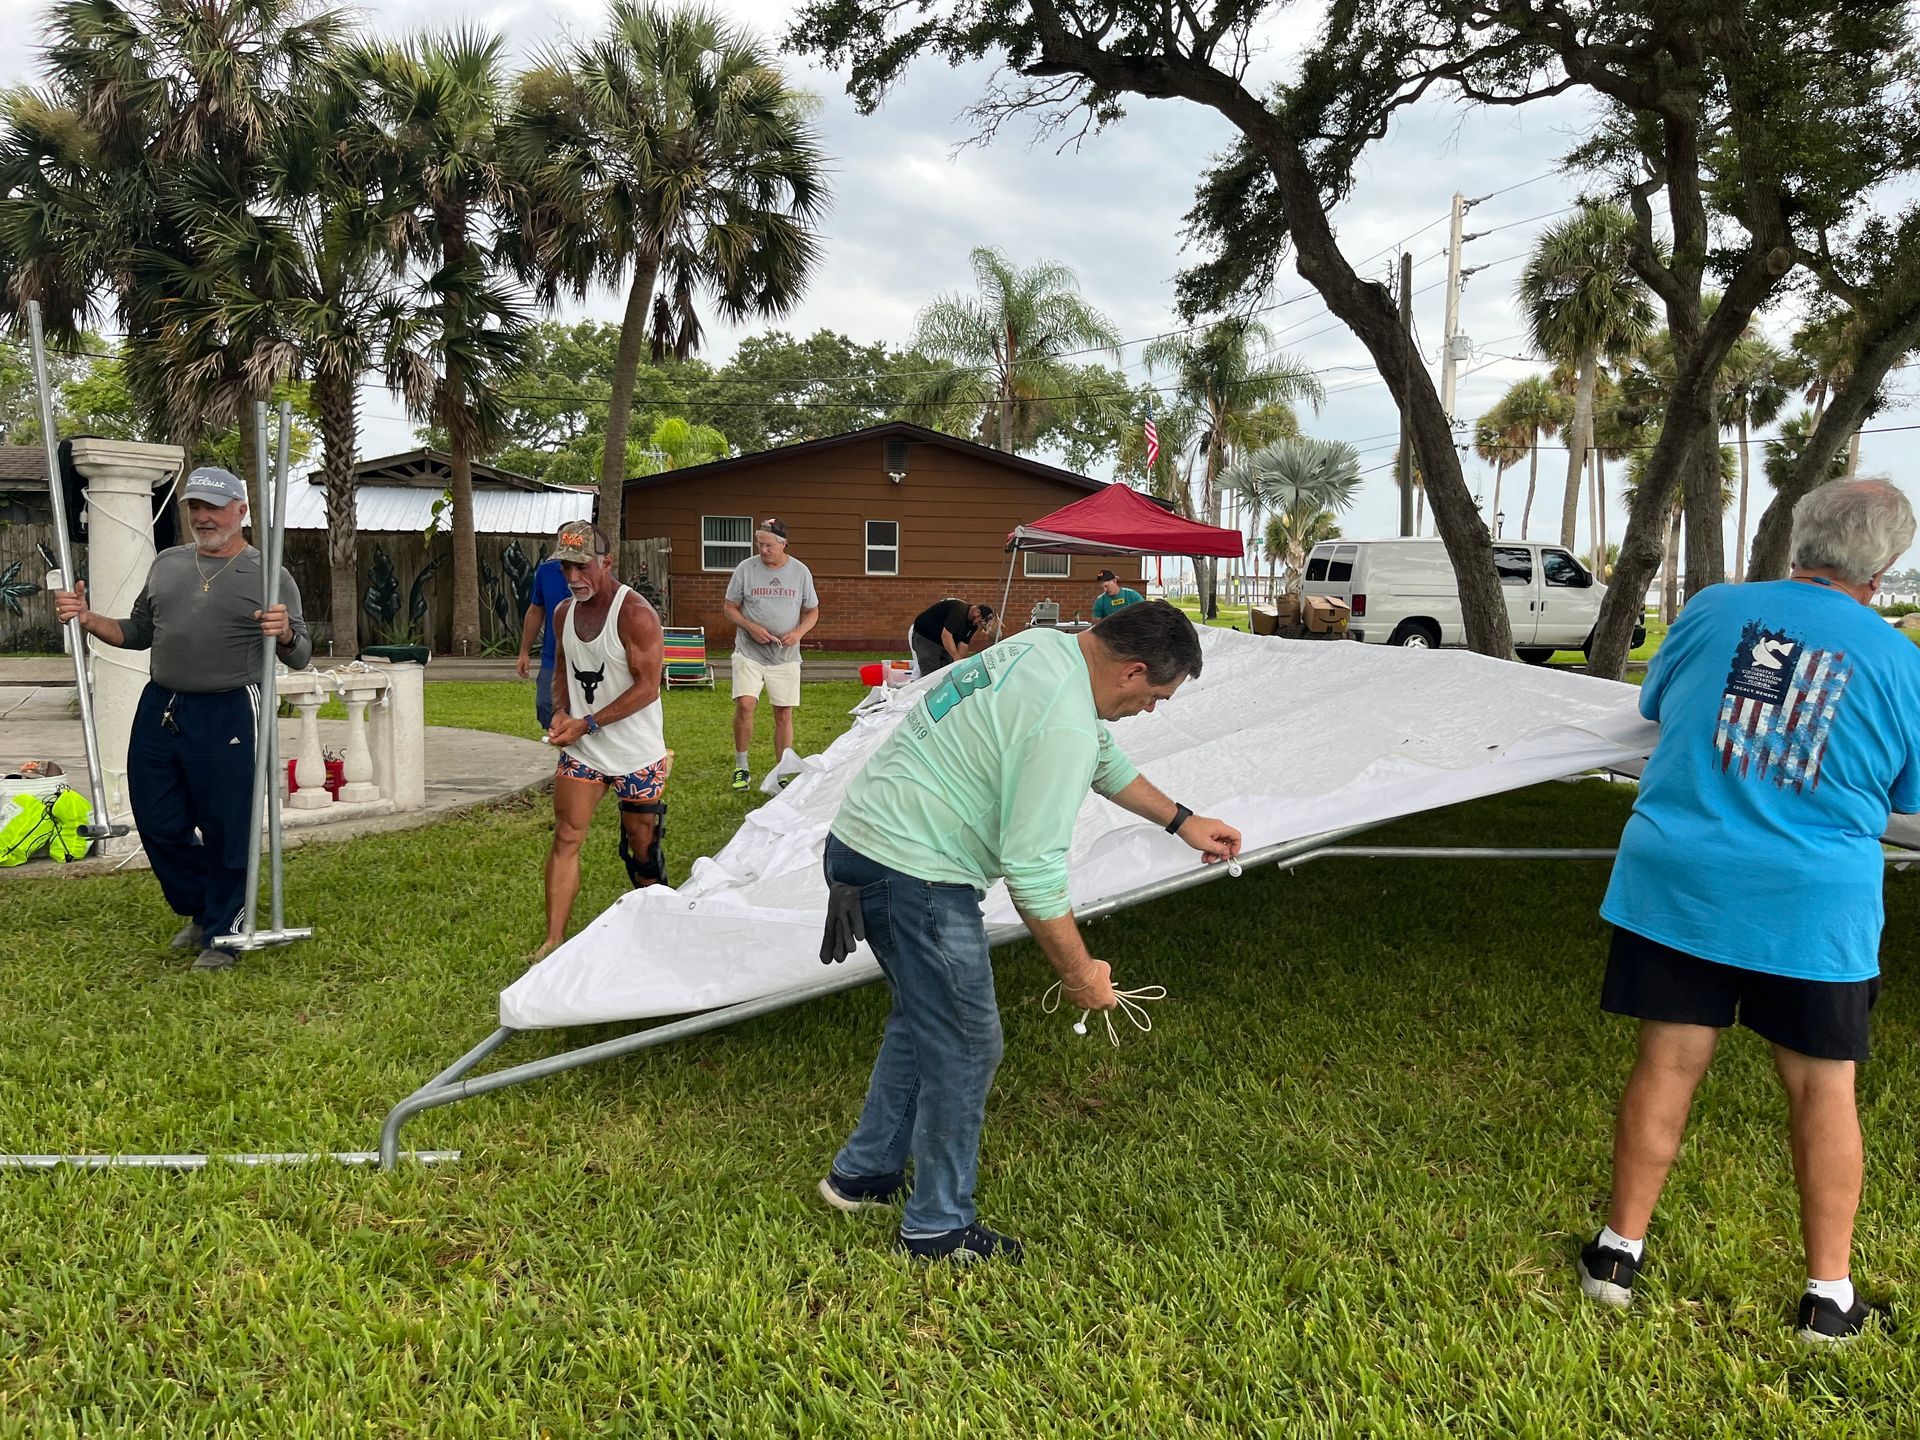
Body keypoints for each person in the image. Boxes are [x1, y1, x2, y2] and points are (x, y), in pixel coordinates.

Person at [1577, 479, 1920, 1344]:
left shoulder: (1712, 609)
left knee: (1668, 1060)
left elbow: (1656, 709)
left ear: (1797, 538)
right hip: (1814, 905)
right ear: (1883, 567)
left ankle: (1616, 1258)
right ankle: (1827, 1300)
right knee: (1822, 1088)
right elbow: (1903, 796)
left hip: (1680, 879)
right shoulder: (1901, 661)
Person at [817, 600, 1242, 1263]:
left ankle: (864, 1175)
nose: (1152, 709)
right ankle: (935, 1229)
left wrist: (1181, 819)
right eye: (1156, 695)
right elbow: (1033, 872)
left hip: (863, 847)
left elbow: (1105, 758)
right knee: (966, 1043)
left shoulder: (1048, 650)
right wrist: (1080, 974)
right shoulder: (1062, 722)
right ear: (1132, 672)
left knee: (924, 1020)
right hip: (913, 873)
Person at [52, 465, 311, 970]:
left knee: (226, 825)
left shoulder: (269, 572)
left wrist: (282, 633)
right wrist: (87, 619)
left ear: (241, 511)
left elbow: (299, 655)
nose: (203, 516)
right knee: (156, 818)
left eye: (214, 506)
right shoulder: (167, 564)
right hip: (162, 705)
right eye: (195, 506)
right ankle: (200, 904)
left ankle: (225, 932)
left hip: (230, 709)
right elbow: (139, 631)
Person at [533, 521, 670, 964]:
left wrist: (588, 722)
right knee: (566, 835)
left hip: (637, 754)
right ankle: (553, 941)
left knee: (643, 845)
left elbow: (649, 687)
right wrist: (559, 712)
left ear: (607, 563)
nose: (573, 578)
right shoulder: (562, 614)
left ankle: (660, 930)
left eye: (582, 566)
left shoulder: (636, 614)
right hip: (583, 753)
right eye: (566, 567)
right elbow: (560, 670)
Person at [723, 517, 818, 792]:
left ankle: (782, 771)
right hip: (749, 652)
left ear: (783, 543)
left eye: (768, 545)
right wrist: (750, 626)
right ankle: (742, 767)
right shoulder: (745, 569)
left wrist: (798, 633)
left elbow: (812, 611)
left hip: (785, 656)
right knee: (745, 704)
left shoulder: (800, 572)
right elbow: (730, 607)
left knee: (783, 713)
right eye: (759, 544)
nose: (763, 550)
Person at [516, 527, 584, 731]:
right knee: (545, 706)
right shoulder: (546, 571)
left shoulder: (594, 574)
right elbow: (536, 610)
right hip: (552, 658)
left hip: (586, 659)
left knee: (583, 711)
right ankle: (565, 750)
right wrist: (524, 652)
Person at [909, 598, 995, 676]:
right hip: (926, 636)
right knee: (931, 671)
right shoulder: (958, 610)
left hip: (943, 640)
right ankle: (924, 690)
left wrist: (961, 664)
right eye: (980, 622)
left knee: (947, 671)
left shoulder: (973, 624)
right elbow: (946, 635)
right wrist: (956, 656)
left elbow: (963, 644)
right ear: (977, 612)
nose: (978, 625)